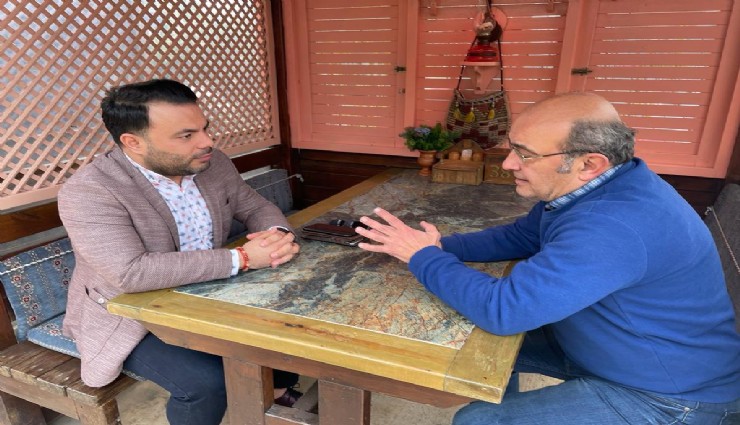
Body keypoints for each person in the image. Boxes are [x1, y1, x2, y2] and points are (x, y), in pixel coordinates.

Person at [355, 92, 740, 424]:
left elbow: (504, 310)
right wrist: (439, 246)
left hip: (670, 394)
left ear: (589, 164)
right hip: (612, 349)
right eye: (512, 148)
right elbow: (522, 236)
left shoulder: (612, 224)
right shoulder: (595, 189)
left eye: (524, 154)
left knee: (479, 420)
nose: (508, 163)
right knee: (477, 347)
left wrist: (423, 257)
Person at [58, 79, 302, 425]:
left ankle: (275, 391)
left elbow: (254, 206)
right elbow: (130, 273)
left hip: (209, 292)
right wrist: (243, 258)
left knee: (289, 329)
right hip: (128, 313)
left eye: (205, 128)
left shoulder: (211, 163)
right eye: (186, 135)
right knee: (207, 384)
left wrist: (277, 235)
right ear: (133, 142)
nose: (207, 142)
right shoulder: (91, 190)